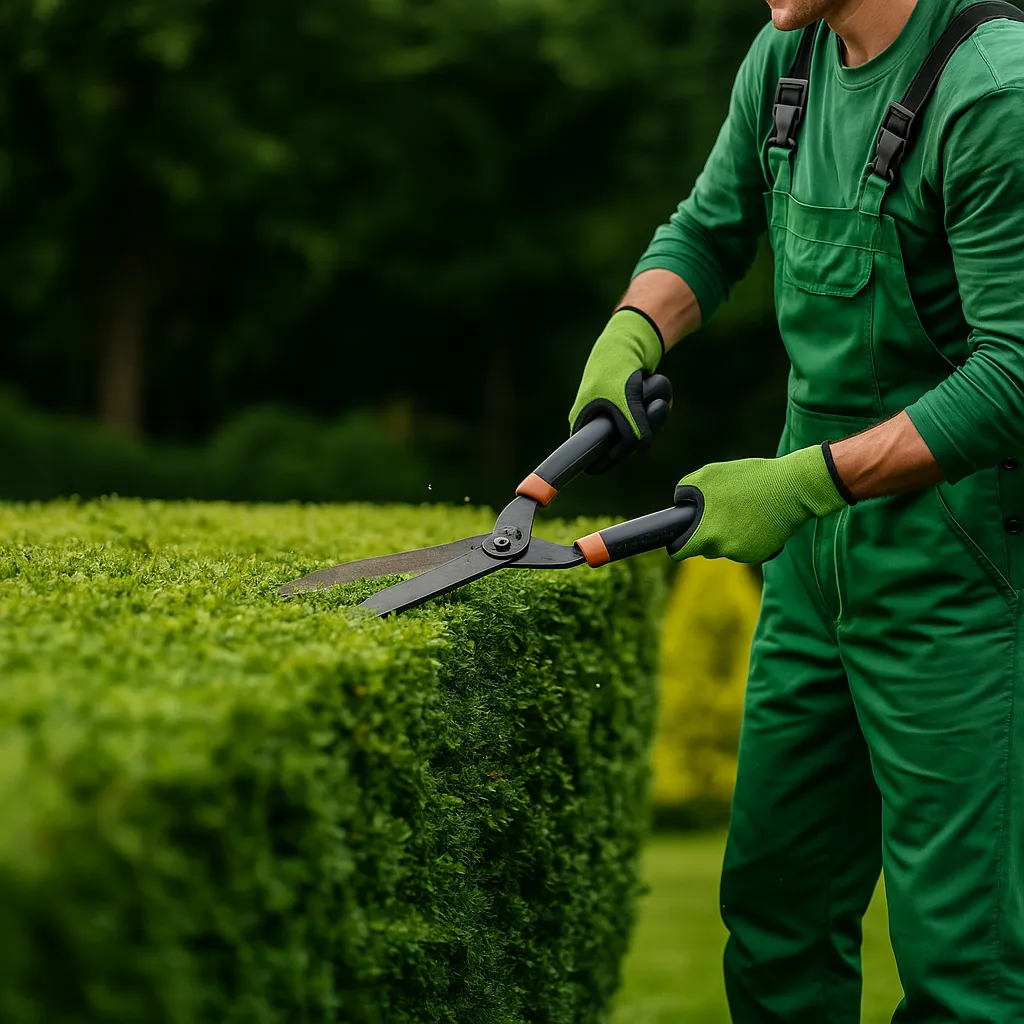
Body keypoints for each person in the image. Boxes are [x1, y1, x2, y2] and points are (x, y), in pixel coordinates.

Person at [568, 0, 1024, 1019]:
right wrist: (629, 337)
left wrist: (802, 481)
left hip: (960, 572)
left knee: (968, 972)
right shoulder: (788, 55)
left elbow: (1015, 375)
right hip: (813, 573)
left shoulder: (993, 90)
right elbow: (708, 230)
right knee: (775, 932)